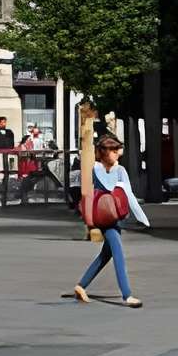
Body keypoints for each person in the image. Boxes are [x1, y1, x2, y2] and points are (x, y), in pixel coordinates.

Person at [66, 131, 148, 308]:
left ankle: (81, 286)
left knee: (106, 254)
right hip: (110, 219)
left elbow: (89, 194)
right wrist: (142, 218)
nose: (118, 154)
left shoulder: (96, 169)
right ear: (105, 152)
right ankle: (127, 295)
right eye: (114, 150)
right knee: (118, 253)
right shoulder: (117, 171)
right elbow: (128, 195)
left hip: (104, 215)